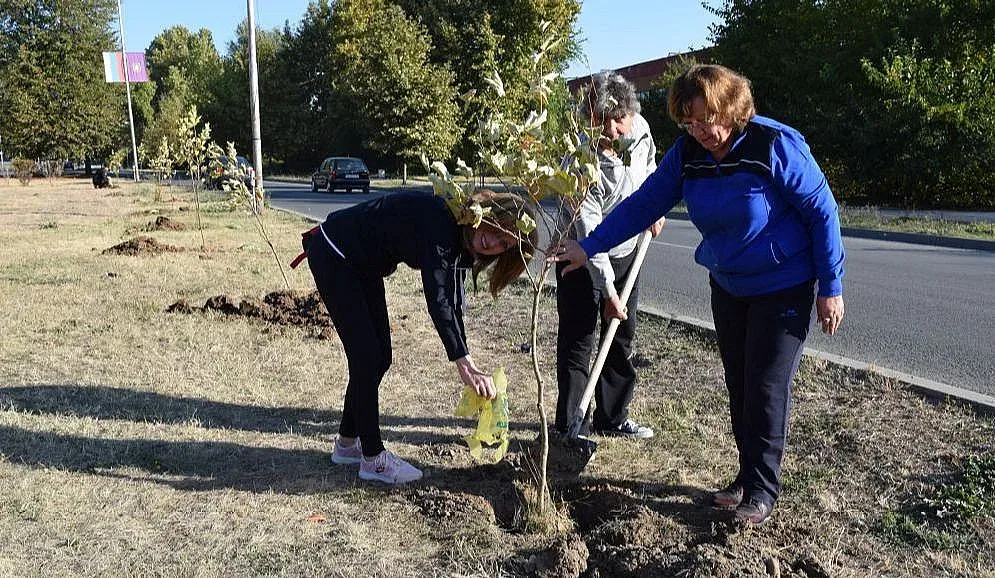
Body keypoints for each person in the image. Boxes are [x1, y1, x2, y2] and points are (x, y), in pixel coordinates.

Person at [551, 64, 845, 525]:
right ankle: (747, 477)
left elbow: (822, 211)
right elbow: (645, 204)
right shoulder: (688, 154)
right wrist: (588, 247)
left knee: (766, 387)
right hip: (729, 284)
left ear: (730, 107)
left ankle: (763, 489)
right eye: (688, 122)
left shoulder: (773, 145)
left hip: (782, 285)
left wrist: (831, 285)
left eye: (705, 118)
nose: (699, 130)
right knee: (740, 384)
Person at [304, 190, 538, 484]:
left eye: (504, 243)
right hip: (335, 253)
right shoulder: (442, 222)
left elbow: (453, 304)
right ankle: (373, 459)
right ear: (485, 215)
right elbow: (437, 299)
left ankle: (347, 444)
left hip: (362, 265)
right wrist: (464, 364)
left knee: (379, 358)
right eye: (496, 229)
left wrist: (468, 359)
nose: (493, 242)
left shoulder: (461, 242)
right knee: (367, 357)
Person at [554, 72, 664, 440]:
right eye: (605, 123)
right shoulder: (580, 162)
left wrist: (655, 206)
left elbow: (650, 169)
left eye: (620, 121)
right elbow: (590, 233)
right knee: (579, 338)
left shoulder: (641, 129)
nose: (615, 131)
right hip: (579, 254)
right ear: (591, 119)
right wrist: (608, 292)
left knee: (621, 335)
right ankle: (572, 424)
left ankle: (612, 417)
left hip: (628, 249)